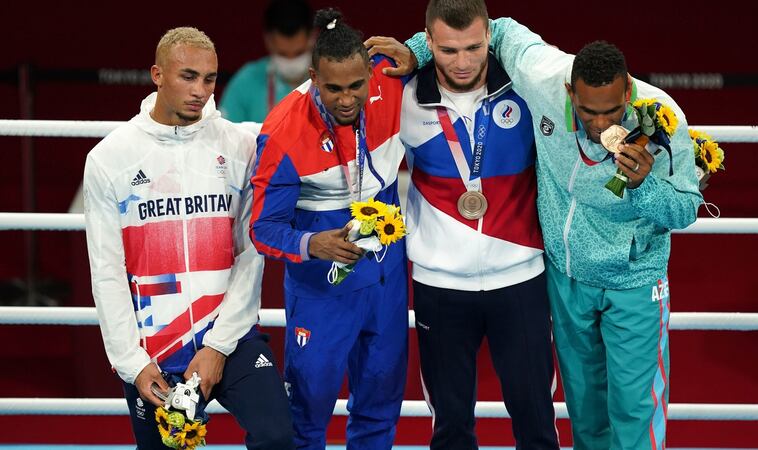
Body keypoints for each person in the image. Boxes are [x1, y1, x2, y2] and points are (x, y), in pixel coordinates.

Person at [396, 17, 703, 450]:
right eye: (588, 111)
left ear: (629, 95)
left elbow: (686, 208)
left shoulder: (664, 118)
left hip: (633, 282)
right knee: (585, 412)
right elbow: (493, 27)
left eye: (611, 111)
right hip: (566, 277)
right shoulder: (541, 75)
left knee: (634, 412)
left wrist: (644, 186)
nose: (599, 124)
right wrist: (416, 51)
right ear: (569, 93)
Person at [83, 27, 294, 450]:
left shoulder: (239, 146)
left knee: (277, 436)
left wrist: (217, 346)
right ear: (157, 75)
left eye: (210, 79)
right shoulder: (110, 158)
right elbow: (107, 272)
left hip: (231, 338)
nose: (201, 91)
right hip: (155, 349)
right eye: (188, 77)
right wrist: (133, 364)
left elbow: (250, 255)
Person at [370, 1, 559, 449]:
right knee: (451, 427)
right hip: (440, 285)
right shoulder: (402, 96)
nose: (462, 61)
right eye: (449, 49)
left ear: (490, 36)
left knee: (536, 422)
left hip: (521, 279)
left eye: (474, 47)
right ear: (427, 40)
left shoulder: (527, 88)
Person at [249, 9, 409, 450]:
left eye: (356, 86)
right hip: (322, 292)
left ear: (370, 76)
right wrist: (311, 243)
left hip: (386, 279)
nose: (346, 99)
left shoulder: (391, 79)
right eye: (333, 87)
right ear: (313, 77)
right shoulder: (282, 133)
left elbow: (447, 45)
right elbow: (262, 228)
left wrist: (413, 51)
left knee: (380, 410)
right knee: (307, 419)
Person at [220, 0, 314, 123]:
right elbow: (224, 136)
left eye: (299, 53)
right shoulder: (246, 81)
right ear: (268, 41)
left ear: (313, 37)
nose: (291, 62)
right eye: (282, 54)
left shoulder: (330, 77)